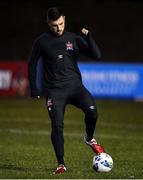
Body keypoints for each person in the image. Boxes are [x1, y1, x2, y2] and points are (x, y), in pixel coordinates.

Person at [28, 7, 105, 174]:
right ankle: (61, 164)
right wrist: (34, 87)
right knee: (57, 126)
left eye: (61, 23)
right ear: (49, 23)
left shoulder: (73, 39)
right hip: (55, 92)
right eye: (54, 25)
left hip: (76, 88)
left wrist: (89, 37)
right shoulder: (42, 41)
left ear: (64, 19)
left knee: (93, 112)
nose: (59, 28)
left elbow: (96, 54)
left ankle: (90, 138)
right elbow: (32, 64)